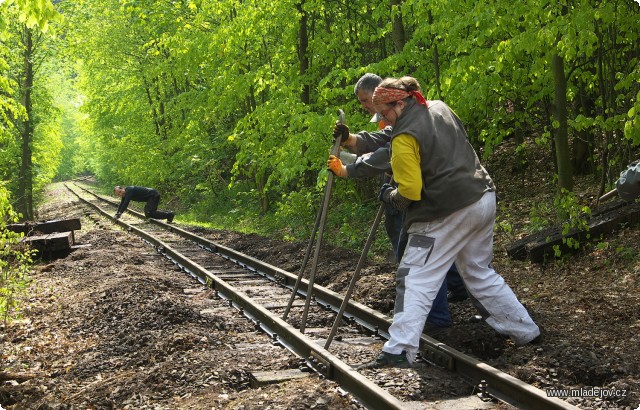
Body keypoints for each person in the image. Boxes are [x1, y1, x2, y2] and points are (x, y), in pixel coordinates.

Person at [361, 76, 540, 369]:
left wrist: (389, 196)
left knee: (414, 277)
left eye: (384, 112)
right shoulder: (440, 107)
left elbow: (409, 193)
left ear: (400, 102)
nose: (383, 119)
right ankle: (526, 331)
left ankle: (398, 350)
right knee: (478, 272)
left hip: (444, 211)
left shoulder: (404, 137)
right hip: (482, 198)